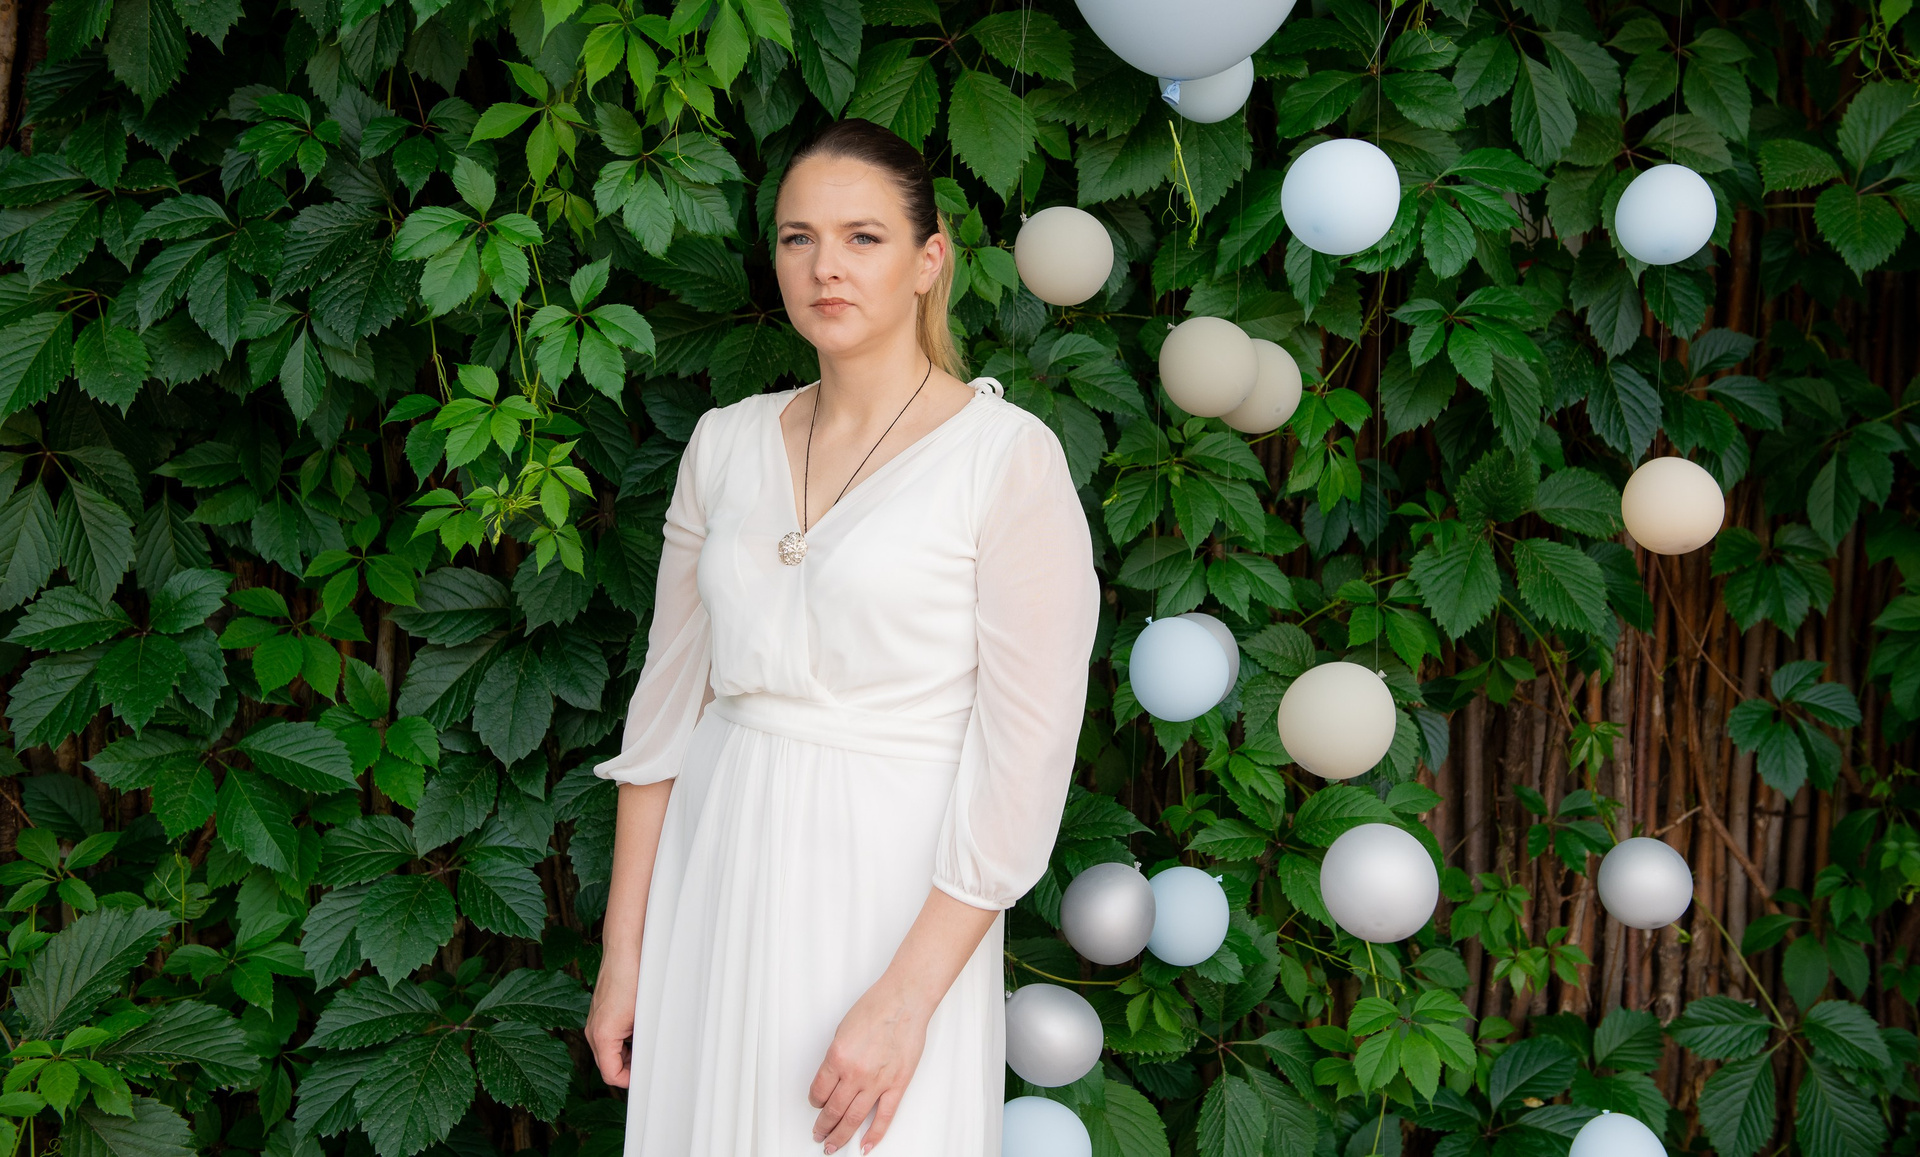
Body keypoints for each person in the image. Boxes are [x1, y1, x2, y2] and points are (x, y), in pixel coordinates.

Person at [582, 117, 1104, 1156]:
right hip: (714, 875)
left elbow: (1025, 760)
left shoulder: (1006, 457)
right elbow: (663, 716)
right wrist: (624, 951)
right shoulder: (723, 442)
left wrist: (907, 999)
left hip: (893, 897)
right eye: (798, 237)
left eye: (864, 237)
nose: (827, 266)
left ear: (929, 260)